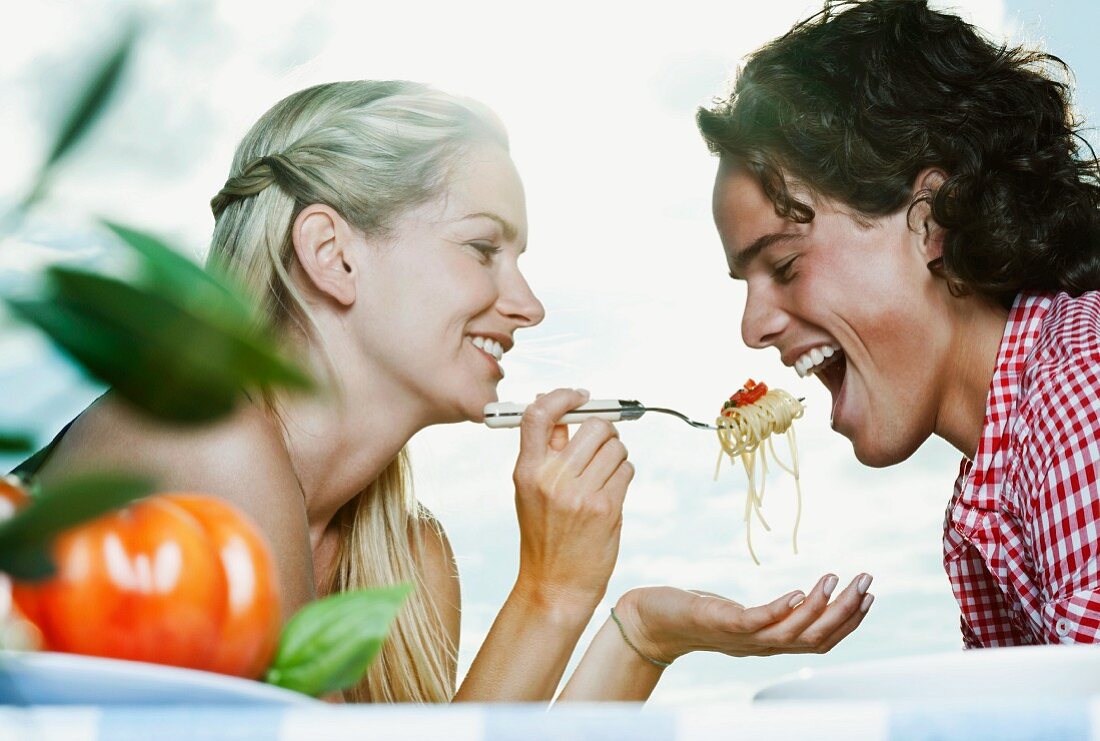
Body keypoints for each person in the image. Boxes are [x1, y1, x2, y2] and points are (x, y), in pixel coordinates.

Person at [20, 80, 872, 702]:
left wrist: (627, 629)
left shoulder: (407, 562)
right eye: (482, 248)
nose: (528, 304)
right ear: (334, 254)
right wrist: (546, 593)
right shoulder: (204, 436)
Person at [698, 0, 1100, 648]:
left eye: (786, 263)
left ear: (933, 218)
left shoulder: (1079, 397)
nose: (753, 327)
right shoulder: (989, 487)